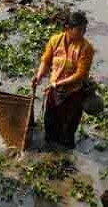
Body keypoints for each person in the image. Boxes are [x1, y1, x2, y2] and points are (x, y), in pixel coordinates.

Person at [33, 11, 95, 149]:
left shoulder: (86, 48)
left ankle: (67, 159)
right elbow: (46, 61)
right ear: (68, 28)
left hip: (73, 93)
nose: (83, 33)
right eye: (79, 29)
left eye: (84, 29)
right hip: (54, 92)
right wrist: (39, 76)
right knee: (50, 126)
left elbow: (81, 74)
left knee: (67, 132)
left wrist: (58, 83)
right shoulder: (55, 40)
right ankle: (51, 154)